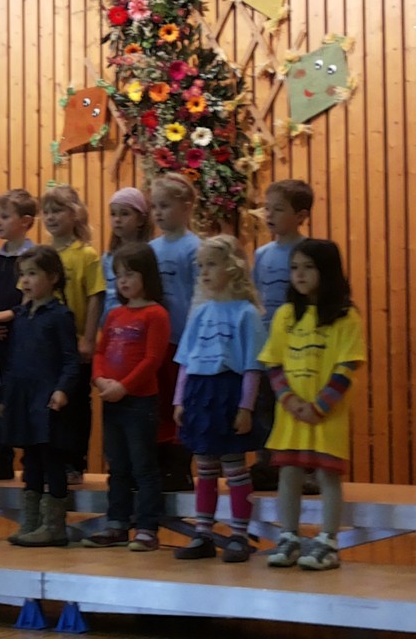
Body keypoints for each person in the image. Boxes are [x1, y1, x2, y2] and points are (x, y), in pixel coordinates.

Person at [259, 239, 365, 571]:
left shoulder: (346, 318)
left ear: (327, 271)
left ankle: (327, 542)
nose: (299, 274)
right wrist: (290, 400)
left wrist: (318, 406)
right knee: (288, 473)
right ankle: (288, 537)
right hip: (291, 414)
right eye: (294, 268)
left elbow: (347, 368)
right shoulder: (286, 315)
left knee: (326, 477)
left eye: (308, 267)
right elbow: (273, 363)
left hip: (326, 416)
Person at [172, 235, 266, 563]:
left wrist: (246, 407)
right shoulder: (200, 312)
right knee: (205, 466)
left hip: (228, 391)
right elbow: (186, 359)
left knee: (234, 465)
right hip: (200, 392)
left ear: (233, 267)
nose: (204, 273)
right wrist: (179, 400)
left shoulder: (247, 314)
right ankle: (203, 533)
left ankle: (239, 534)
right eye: (201, 267)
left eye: (211, 265)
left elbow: (253, 366)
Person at [83, 242, 170, 552]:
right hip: (111, 399)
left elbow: (152, 360)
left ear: (146, 275)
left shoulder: (155, 314)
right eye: (118, 275)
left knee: (143, 466)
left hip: (139, 401)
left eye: (130, 274)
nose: (123, 281)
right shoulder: (115, 314)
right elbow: (100, 351)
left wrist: (124, 386)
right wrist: (100, 379)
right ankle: (117, 523)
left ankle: (147, 527)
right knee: (117, 465)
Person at [1, 245, 82, 547]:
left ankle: (54, 524)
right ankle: (31, 521)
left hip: (47, 399)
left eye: (33, 274)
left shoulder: (59, 315)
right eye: (22, 275)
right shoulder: (22, 315)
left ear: (53, 277)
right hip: (23, 397)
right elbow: (14, 358)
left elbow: (71, 360)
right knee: (30, 458)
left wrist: (62, 390)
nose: (26, 280)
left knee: (52, 459)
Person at [250, 179, 313, 491]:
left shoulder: (309, 251)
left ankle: (306, 468)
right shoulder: (262, 254)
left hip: (299, 348)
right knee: (265, 406)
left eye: (278, 209)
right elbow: (256, 296)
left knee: (296, 404)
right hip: (267, 345)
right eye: (267, 208)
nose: (269, 215)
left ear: (301, 216)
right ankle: (268, 465)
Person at [41, 185, 105, 484]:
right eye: (47, 212)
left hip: (75, 342)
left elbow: (95, 296)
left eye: (58, 211)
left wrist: (89, 338)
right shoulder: (41, 255)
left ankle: (74, 462)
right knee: (51, 404)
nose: (51, 217)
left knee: (77, 404)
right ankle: (50, 460)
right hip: (48, 345)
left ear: (75, 214)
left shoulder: (87, 255)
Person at [0, 188, 37, 480]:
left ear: (26, 221)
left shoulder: (33, 257)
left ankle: (23, 462)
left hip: (21, 341)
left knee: (18, 402)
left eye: (5, 217)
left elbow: (33, 298)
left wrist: (9, 314)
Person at [149, 173, 201, 491]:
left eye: (165, 206)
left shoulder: (194, 248)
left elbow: (199, 293)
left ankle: (181, 466)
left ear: (186, 206)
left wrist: (195, 337)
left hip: (185, 338)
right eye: (154, 206)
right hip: (158, 340)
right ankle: (160, 463)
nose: (158, 213)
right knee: (160, 402)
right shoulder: (151, 248)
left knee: (182, 403)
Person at [100, 187, 153, 323]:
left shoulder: (148, 253)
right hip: (112, 323)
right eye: (113, 214)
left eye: (124, 214)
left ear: (140, 220)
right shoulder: (108, 258)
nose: (117, 219)